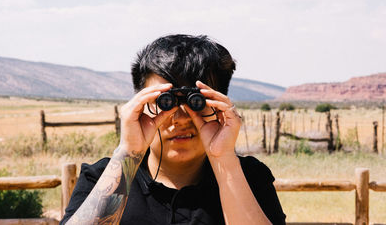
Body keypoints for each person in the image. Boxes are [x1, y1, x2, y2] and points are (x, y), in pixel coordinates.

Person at [60, 34, 286, 225]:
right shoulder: (102, 178)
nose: (180, 118)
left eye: (197, 102)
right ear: (139, 102)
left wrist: (224, 159)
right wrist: (128, 153)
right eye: (163, 102)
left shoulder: (248, 178)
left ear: (219, 102)